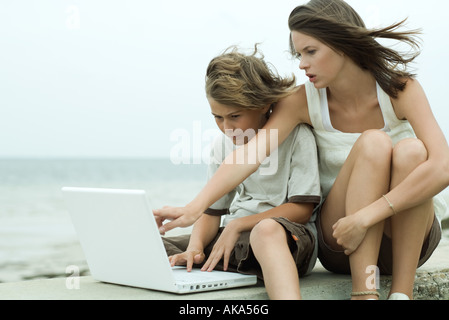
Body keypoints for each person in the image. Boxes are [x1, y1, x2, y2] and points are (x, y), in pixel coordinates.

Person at [154, 0, 449, 300]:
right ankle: (365, 293)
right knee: (374, 143)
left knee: (412, 151)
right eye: (298, 54)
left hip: (406, 238)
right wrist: (193, 208)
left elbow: (442, 167)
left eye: (311, 52)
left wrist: (367, 217)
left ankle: (402, 293)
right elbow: (250, 154)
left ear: (342, 45)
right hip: (342, 237)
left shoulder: (400, 90)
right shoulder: (303, 100)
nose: (302, 64)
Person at [161, 46, 322, 300]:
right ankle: (212, 260)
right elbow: (212, 213)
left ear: (263, 104)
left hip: (287, 239)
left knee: (265, 232)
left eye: (234, 116)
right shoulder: (222, 146)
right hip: (236, 238)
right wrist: (194, 248)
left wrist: (238, 225)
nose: (226, 127)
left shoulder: (297, 136)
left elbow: (302, 210)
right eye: (218, 117)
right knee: (154, 248)